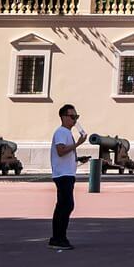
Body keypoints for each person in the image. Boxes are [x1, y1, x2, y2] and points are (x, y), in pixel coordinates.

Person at [48, 103, 85, 251]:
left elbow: (65, 153)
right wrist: (78, 144)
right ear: (63, 117)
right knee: (66, 205)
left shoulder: (66, 132)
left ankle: (58, 237)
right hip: (63, 175)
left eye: (76, 116)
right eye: (72, 116)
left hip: (67, 173)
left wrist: (78, 158)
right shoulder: (62, 132)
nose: (75, 120)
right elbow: (61, 151)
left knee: (63, 206)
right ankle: (58, 238)